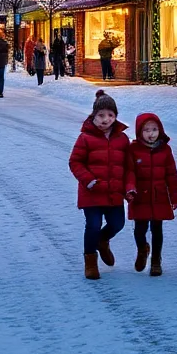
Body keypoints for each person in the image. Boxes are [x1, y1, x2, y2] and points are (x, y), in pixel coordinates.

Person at [68, 91, 133, 280]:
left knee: (117, 223)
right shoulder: (85, 138)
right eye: (101, 115)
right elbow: (75, 162)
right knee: (93, 225)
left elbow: (129, 167)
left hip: (114, 191)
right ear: (93, 116)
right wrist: (88, 180)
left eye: (111, 115)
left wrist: (129, 186)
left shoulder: (122, 139)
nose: (106, 120)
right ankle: (90, 261)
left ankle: (103, 240)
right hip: (92, 192)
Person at [126, 112, 177, 277]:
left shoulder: (165, 150)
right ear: (139, 132)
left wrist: (175, 196)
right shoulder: (133, 149)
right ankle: (143, 249)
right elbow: (129, 172)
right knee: (139, 229)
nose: (151, 134)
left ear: (160, 130)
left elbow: (172, 174)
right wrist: (129, 188)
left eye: (154, 129)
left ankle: (156, 261)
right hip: (140, 196)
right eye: (146, 130)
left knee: (157, 229)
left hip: (159, 196)